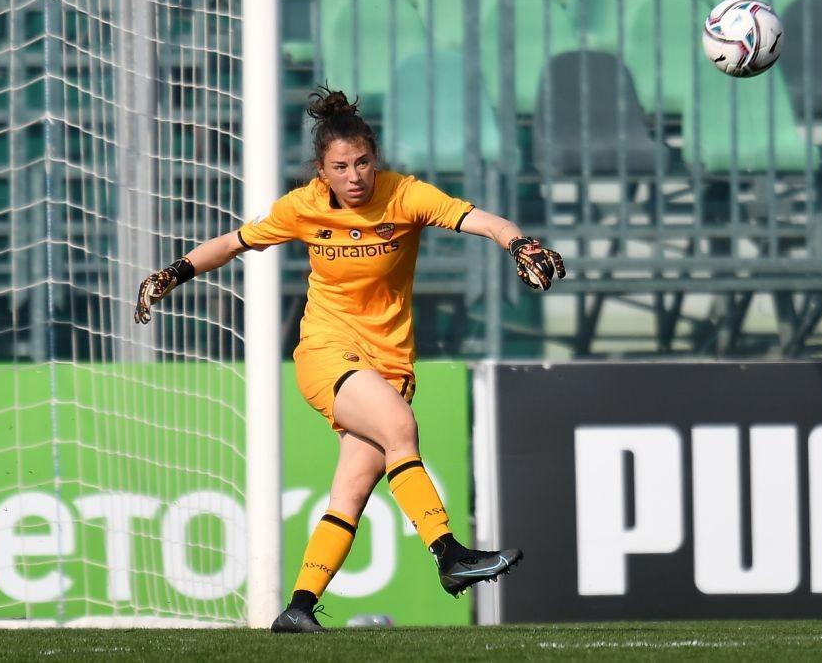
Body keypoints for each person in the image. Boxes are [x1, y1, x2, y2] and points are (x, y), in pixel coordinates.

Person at [135, 87, 565, 633]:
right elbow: (233, 243)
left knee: (354, 489)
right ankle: (450, 554)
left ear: (375, 159)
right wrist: (171, 274)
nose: (354, 175)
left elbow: (480, 220)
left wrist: (519, 243)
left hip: (388, 365)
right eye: (341, 166)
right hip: (326, 354)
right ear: (322, 171)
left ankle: (299, 608)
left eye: (362, 162)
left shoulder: (405, 195)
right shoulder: (303, 207)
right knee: (399, 429)